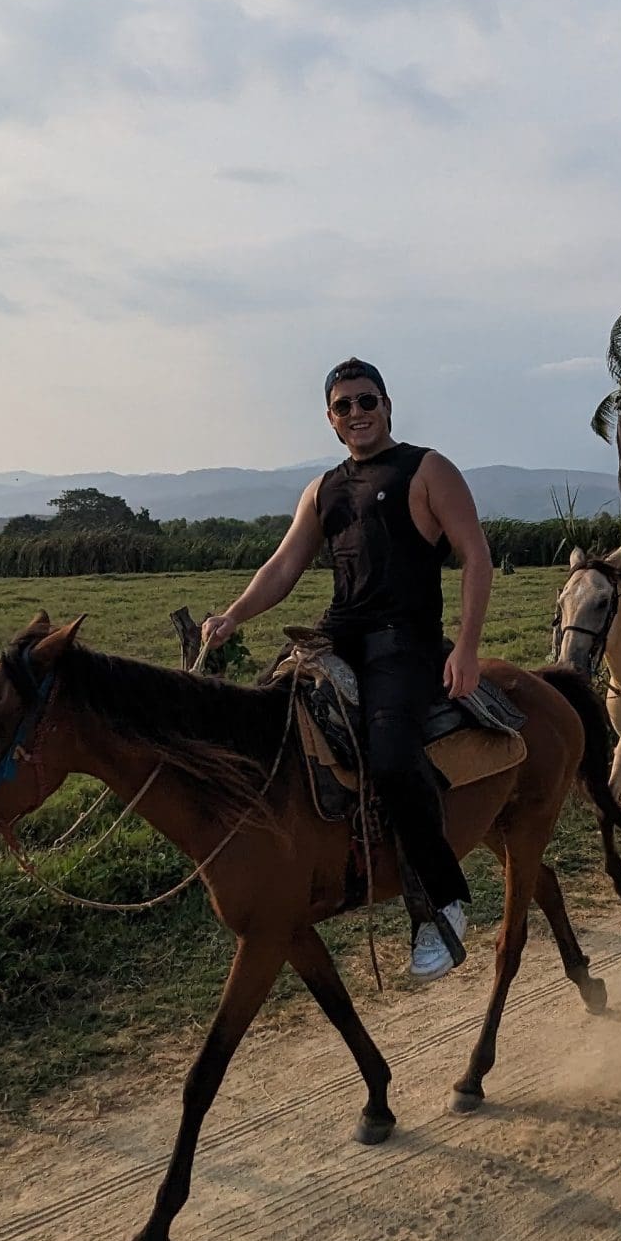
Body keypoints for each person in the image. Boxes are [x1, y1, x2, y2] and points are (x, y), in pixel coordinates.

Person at [201, 360, 493, 975]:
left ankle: (443, 900)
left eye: (366, 401)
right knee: (268, 724)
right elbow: (283, 567)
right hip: (339, 632)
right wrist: (232, 616)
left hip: (405, 640)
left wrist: (465, 648)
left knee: (390, 755)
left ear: (387, 405)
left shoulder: (427, 468)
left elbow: (475, 557)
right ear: (331, 421)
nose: (356, 414)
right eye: (343, 407)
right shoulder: (323, 489)